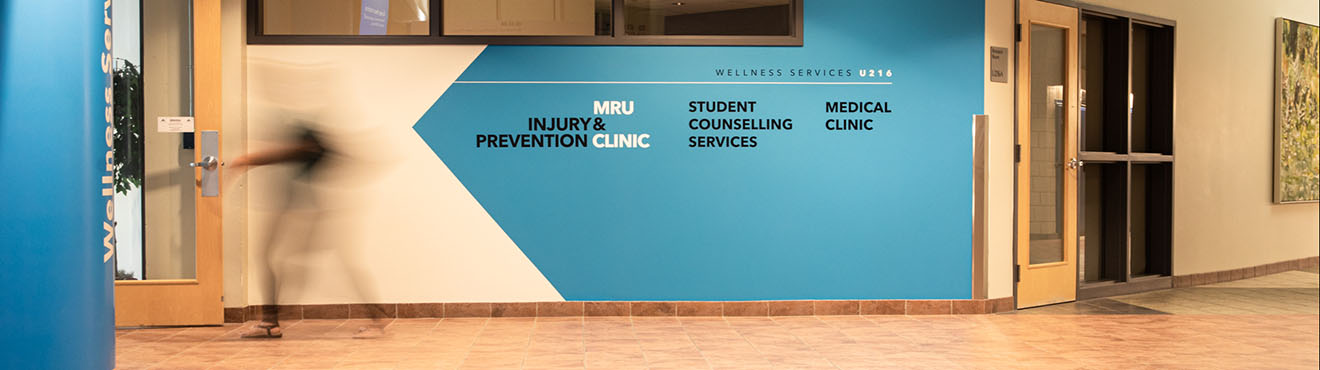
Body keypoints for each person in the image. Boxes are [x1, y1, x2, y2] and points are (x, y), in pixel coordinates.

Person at [227, 123, 385, 339]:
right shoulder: (304, 132)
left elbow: (295, 151)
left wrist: (248, 160)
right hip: (300, 210)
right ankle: (270, 322)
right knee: (273, 257)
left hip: (305, 213)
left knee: (278, 258)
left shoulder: (307, 138)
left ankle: (271, 322)